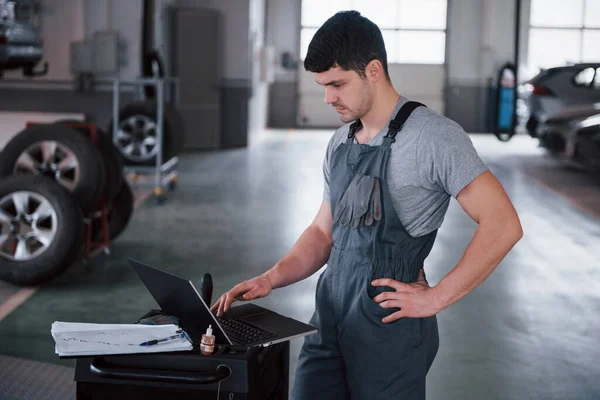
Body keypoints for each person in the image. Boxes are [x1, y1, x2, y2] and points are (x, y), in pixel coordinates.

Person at [211, 10, 523, 400]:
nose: (328, 98)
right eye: (322, 86)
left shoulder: (434, 138)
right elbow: (323, 233)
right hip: (329, 315)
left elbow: (503, 223)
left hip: (388, 326)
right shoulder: (341, 141)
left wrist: (437, 296)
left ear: (373, 70)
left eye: (337, 84)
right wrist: (273, 277)